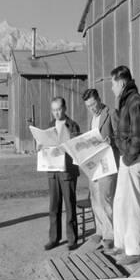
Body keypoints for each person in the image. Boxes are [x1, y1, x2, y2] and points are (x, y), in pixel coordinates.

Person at [104, 66, 140, 265]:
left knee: (131, 205)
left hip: (132, 159)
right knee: (120, 203)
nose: (112, 88)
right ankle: (121, 245)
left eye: (113, 84)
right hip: (127, 159)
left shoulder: (135, 101)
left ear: (122, 83)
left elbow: (139, 137)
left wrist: (128, 157)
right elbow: (125, 133)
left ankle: (134, 251)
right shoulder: (126, 102)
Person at [39, 96, 80, 252]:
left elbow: (77, 147)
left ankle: (72, 239)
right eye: (54, 110)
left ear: (65, 109)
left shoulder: (72, 125)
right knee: (54, 206)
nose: (56, 113)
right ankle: (54, 238)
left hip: (68, 171)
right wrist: (40, 146)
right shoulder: (49, 126)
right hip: (52, 171)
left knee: (70, 205)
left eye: (59, 109)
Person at [82, 88, 119, 250]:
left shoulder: (111, 113)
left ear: (99, 99)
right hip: (93, 164)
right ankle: (100, 231)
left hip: (107, 163)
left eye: (93, 104)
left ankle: (111, 235)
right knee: (95, 199)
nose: (92, 109)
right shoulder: (92, 118)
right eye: (88, 106)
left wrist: (112, 139)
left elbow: (122, 135)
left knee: (106, 199)